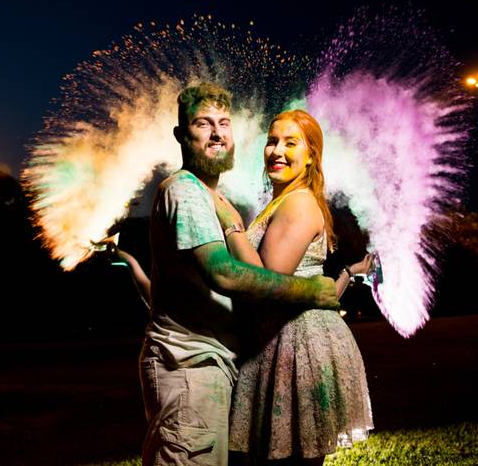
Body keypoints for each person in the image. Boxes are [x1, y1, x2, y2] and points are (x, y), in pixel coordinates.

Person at [132, 83, 345, 466]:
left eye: (224, 123)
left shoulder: (213, 195)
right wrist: (311, 291)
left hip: (214, 364)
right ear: (182, 135)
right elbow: (225, 275)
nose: (216, 133)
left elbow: (238, 279)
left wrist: (232, 225)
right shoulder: (188, 191)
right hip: (190, 366)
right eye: (202, 123)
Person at [213, 109, 374, 465]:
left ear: (311, 154)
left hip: (294, 344)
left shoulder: (299, 201)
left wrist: (231, 227)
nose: (277, 151)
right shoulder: (284, 199)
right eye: (272, 141)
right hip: (281, 339)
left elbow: (268, 280)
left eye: (291, 142)